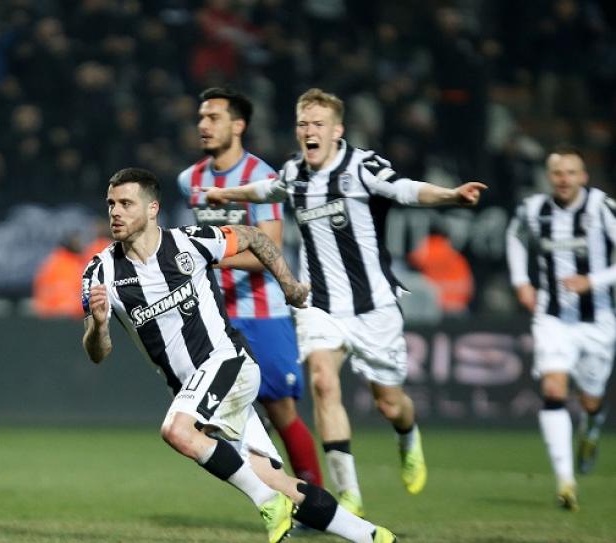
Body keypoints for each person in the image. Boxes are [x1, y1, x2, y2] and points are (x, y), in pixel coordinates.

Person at [83, 167, 398, 543]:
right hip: (198, 391)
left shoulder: (190, 242)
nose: (115, 212)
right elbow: (97, 353)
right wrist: (100, 326)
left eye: (126, 203)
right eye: (111, 204)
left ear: (152, 208)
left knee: (177, 430)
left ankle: (266, 502)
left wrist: (289, 284)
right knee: (279, 481)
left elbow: (255, 237)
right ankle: (371, 538)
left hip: (228, 362)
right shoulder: (100, 273)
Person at [205, 88, 487, 516]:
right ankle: (349, 494)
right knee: (323, 381)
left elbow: (406, 190)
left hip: (374, 307)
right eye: (303, 124)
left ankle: (408, 434)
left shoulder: (362, 167)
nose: (309, 132)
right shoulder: (295, 171)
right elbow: (271, 190)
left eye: (318, 124)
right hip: (319, 304)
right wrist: (230, 195)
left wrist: (451, 195)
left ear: (337, 131)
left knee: (389, 403)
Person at [178, 87, 323, 487]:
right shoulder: (190, 180)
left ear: (238, 125)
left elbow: (268, 250)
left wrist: (207, 258)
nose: (203, 125)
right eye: (201, 117)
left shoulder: (262, 178)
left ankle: (317, 501)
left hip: (263, 314)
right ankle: (272, 494)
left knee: (281, 411)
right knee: (224, 420)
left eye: (214, 117)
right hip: (217, 318)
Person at [506, 146, 616, 510]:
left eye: (571, 172)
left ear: (583, 176)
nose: (564, 179)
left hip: (598, 320)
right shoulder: (534, 209)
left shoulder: (601, 207)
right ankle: (565, 481)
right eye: (557, 173)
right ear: (549, 177)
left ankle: (592, 427)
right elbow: (515, 236)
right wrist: (521, 281)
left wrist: (593, 281)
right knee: (553, 388)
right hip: (552, 316)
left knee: (590, 400)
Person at [408, 224, 474, 315]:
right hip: (458, 306)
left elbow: (410, 269)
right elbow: (470, 288)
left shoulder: (425, 249)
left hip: (435, 308)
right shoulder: (458, 257)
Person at [32, 232, 86, 318]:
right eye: (76, 241)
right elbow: (43, 290)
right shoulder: (56, 263)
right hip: (57, 315)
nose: (80, 244)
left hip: (73, 315)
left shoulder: (78, 262)